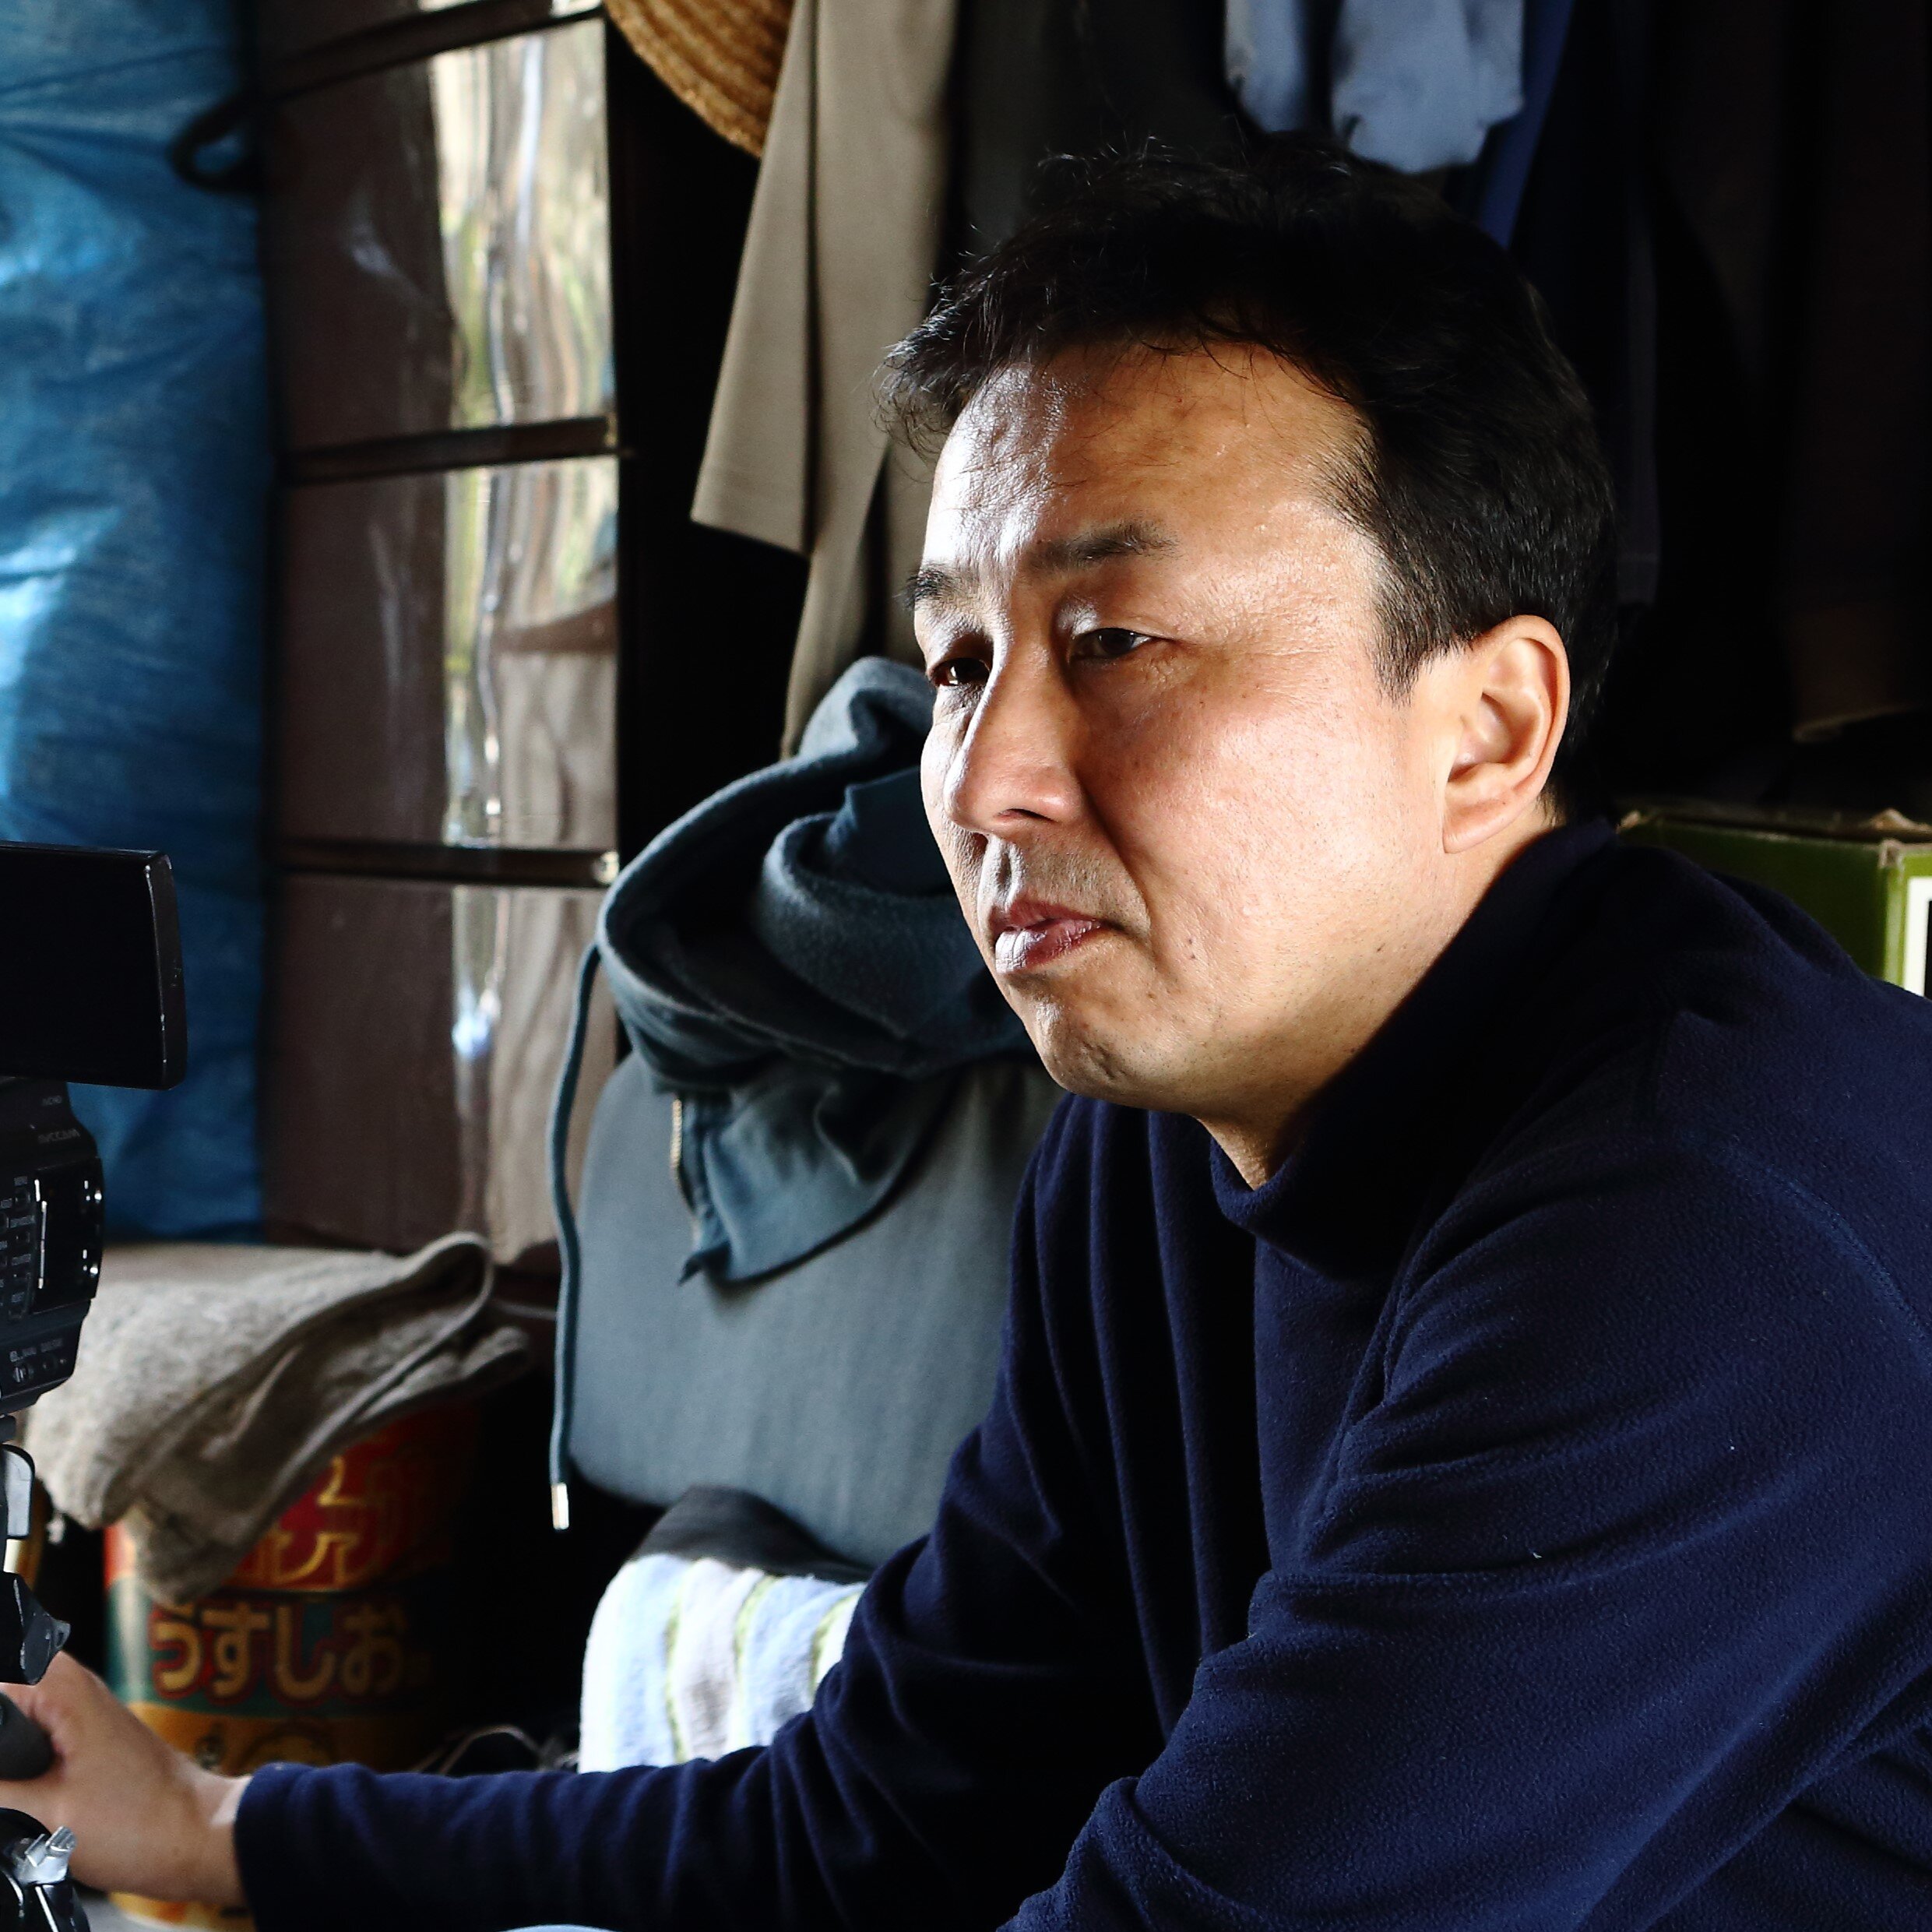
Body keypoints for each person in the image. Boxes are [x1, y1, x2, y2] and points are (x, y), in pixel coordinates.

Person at [16, 138, 1932, 1931]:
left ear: (1489, 727)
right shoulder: (1164, 1127)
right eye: (955, 661)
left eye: (1115, 641)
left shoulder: (1706, 1231)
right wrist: (222, 1825)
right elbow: (889, 1808)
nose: (981, 773)